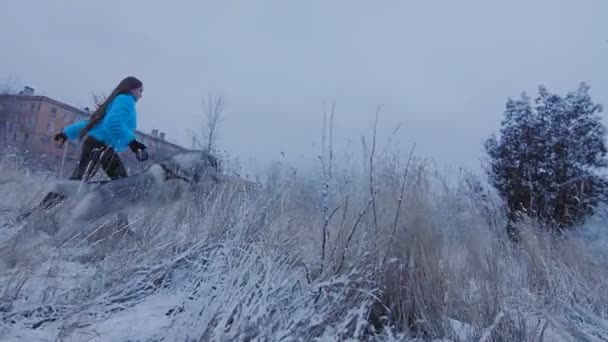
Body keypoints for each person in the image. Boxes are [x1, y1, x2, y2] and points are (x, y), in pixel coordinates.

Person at [40, 76, 148, 210]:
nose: (141, 95)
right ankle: (37, 212)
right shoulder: (126, 100)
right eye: (140, 91)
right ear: (131, 89)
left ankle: (37, 211)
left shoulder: (117, 100)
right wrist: (133, 143)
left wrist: (67, 133)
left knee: (116, 185)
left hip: (97, 145)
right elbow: (113, 123)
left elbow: (94, 123)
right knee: (121, 186)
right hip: (100, 146)